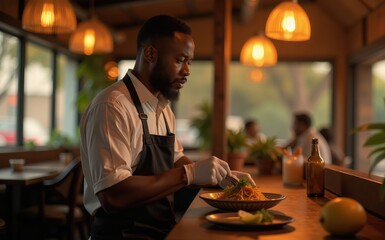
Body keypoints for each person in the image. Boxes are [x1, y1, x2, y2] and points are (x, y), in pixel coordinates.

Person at [79, 15, 255, 240]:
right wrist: (189, 174)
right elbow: (114, 195)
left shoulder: (162, 108)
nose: (187, 70)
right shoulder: (112, 106)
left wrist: (221, 177)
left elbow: (174, 159)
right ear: (150, 54)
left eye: (189, 61)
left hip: (161, 230)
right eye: (180, 59)